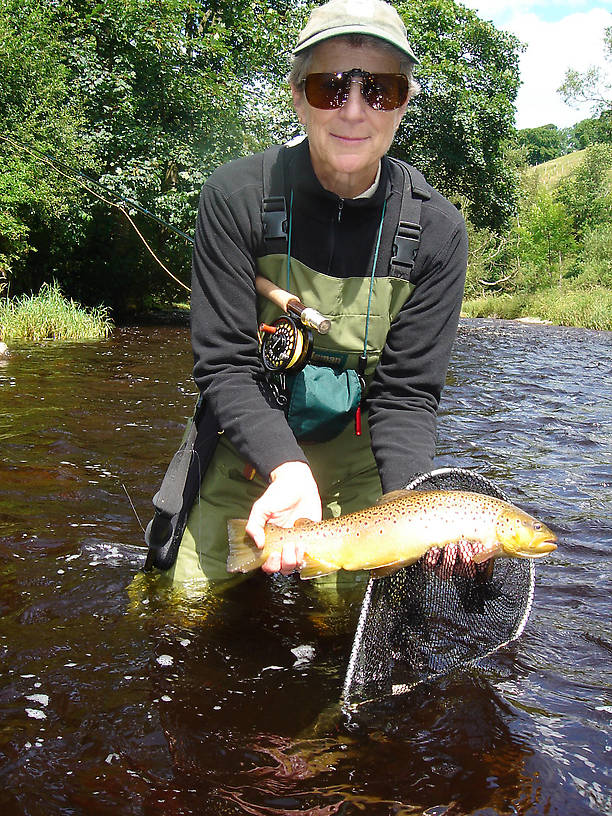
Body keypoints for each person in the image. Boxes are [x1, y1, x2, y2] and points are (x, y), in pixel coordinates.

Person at [166, 0, 468, 586]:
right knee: (185, 610)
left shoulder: (438, 232)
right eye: (330, 87)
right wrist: (287, 468)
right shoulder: (236, 197)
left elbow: (407, 397)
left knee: (347, 620)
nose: (354, 111)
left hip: (362, 450)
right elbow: (225, 365)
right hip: (248, 436)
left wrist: (413, 509)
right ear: (298, 96)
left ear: (405, 102)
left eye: (379, 88)